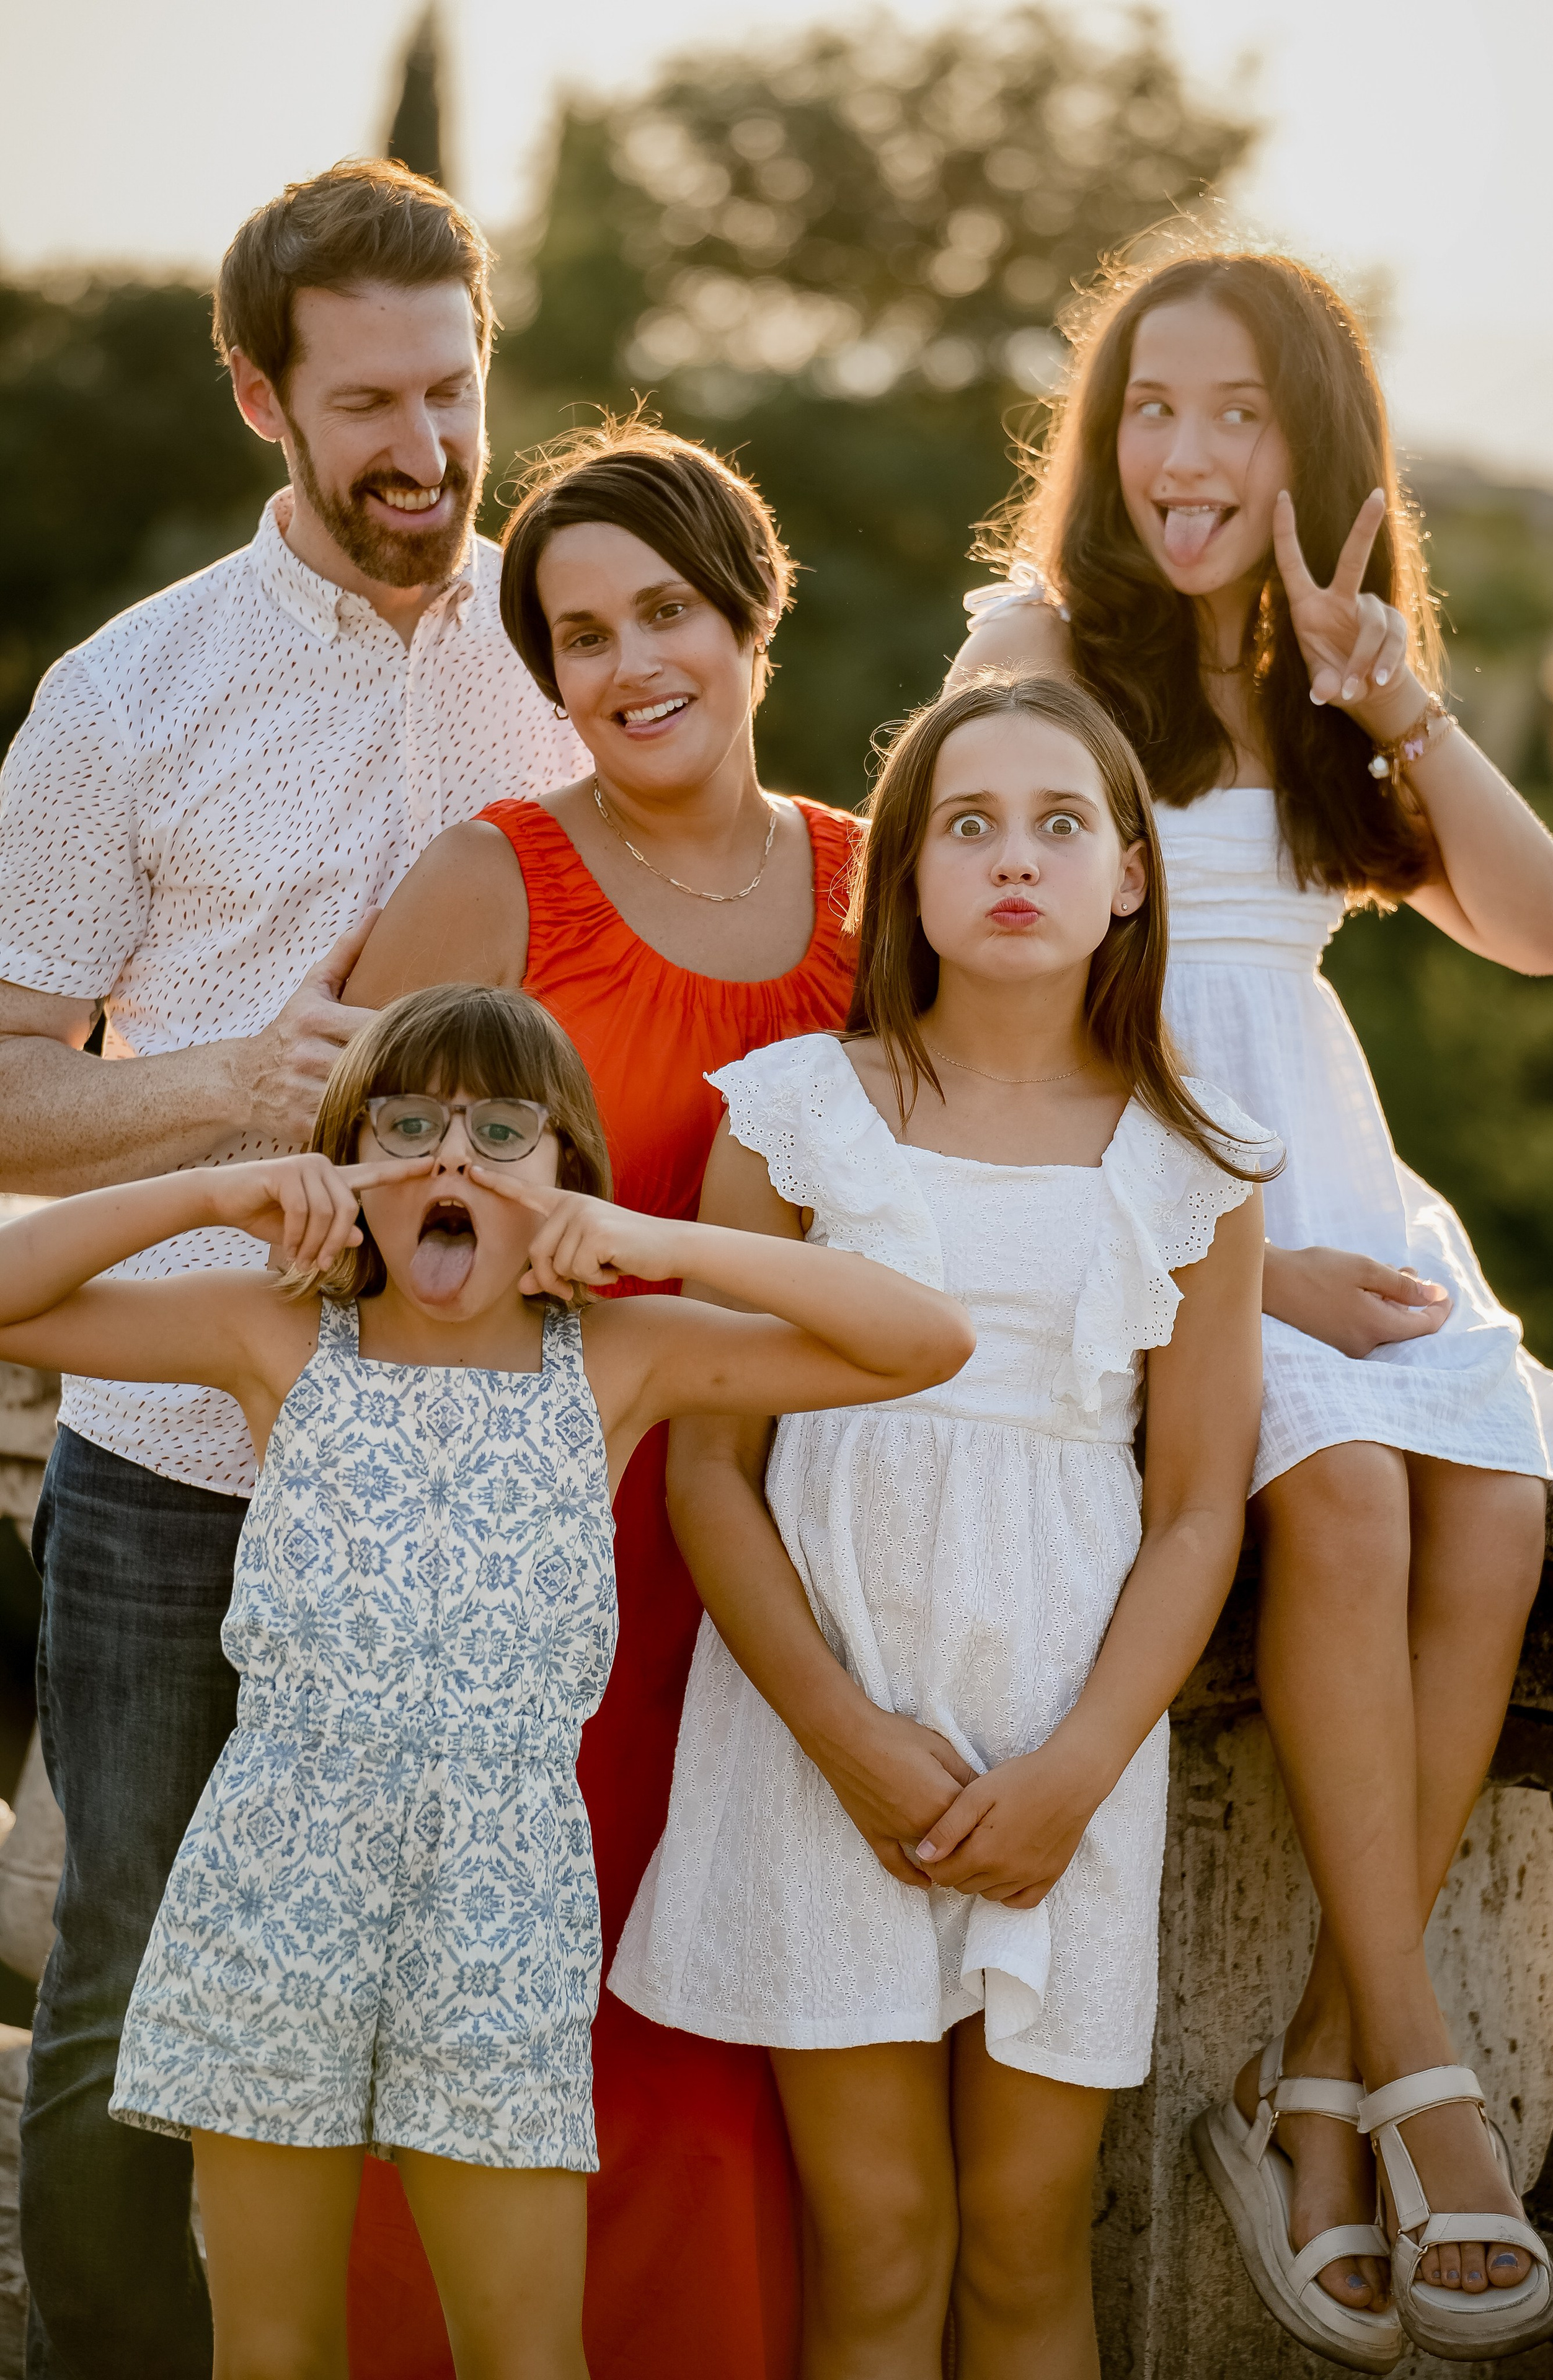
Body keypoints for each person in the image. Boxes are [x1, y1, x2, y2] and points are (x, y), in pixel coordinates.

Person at [0, 981, 972, 2380]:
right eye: (407, 1125)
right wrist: (213, 1199)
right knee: (271, 2346)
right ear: (346, 1169)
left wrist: (652, 1242)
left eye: (504, 1130)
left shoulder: (620, 1359)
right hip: (280, 1872)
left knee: (522, 2348)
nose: (451, 1157)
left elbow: (922, 1341)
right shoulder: (271, 1337)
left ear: (568, 1180)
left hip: (502, 1892)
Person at [949, 244, 1553, 2365]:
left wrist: (1387, 690)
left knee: (1493, 1501)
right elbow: (1000, 974)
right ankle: (1426, 2083)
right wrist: (1231, 1256)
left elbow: (1547, 925)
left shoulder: (1342, 679)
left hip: (1338, 1171)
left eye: (1236, 413)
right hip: (1142, 1201)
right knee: (1353, 1505)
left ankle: (1312, 2081)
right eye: (1149, 407)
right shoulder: (1044, 646)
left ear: (1317, 445)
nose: (1187, 454)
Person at [0, 159, 585, 2374]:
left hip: (486, 1469)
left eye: (455, 388)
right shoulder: (124, 696)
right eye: (369, 404)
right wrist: (232, 1092)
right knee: (141, 1968)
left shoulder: (578, 647)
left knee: (463, 1997)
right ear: (260, 399)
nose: (427, 449)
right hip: (177, 1454)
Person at [609, 672, 1270, 2378]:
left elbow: (1197, 1512)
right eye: (967, 826)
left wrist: (1073, 1773)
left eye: (1061, 824)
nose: (1014, 860)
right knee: (885, 2240)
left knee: (1028, 2246)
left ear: (1131, 872)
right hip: (821, 1735)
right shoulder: (794, 1118)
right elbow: (707, 1475)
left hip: (1068, 1746)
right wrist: (841, 1735)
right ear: (902, 876)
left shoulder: (1195, 1168)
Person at [343, 420, 864, 2377]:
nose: (633, 662)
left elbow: (1003, 1165)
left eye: (667, 610)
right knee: (494, 2057)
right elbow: (361, 1252)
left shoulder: (874, 891)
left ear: (750, 616)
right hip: (519, 1591)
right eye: (579, 634)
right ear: (544, 673)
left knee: (716, 2059)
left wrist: (1261, 1275)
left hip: (778, 1564)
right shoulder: (492, 884)